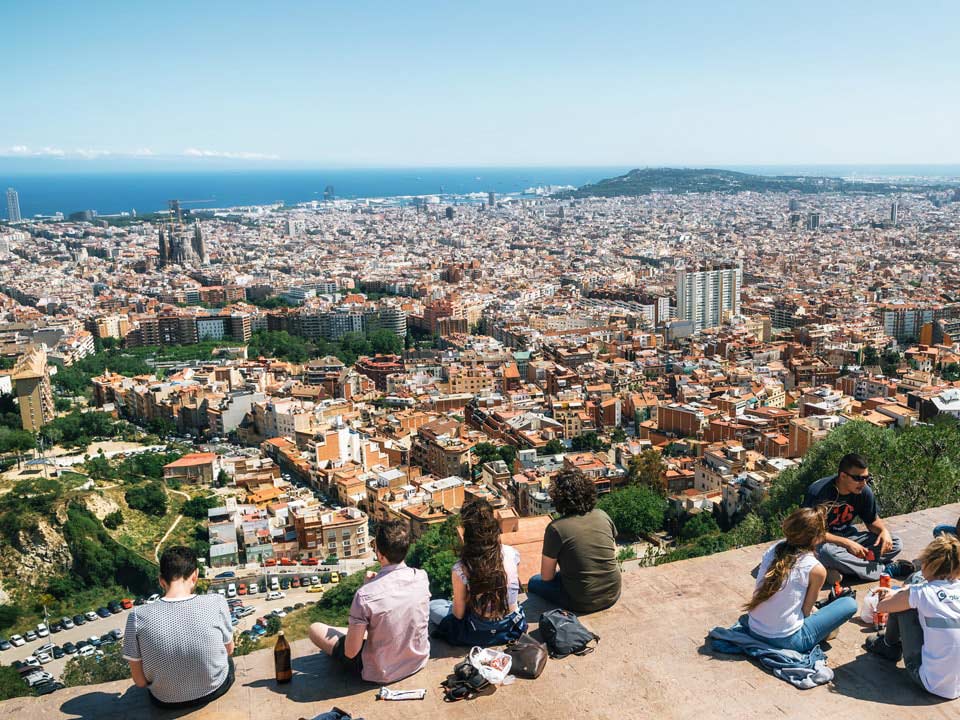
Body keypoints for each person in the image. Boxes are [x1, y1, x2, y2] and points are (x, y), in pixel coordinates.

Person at [309, 519, 430, 684]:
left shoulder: (365, 595)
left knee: (315, 628)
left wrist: (367, 588)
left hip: (381, 672)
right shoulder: (421, 577)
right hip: (417, 661)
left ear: (379, 554)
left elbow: (351, 652)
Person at [122, 546, 235, 709]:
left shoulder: (137, 616)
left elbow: (139, 682)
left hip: (165, 701)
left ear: (161, 580)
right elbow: (229, 650)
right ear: (195, 575)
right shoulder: (216, 602)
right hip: (215, 689)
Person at [742, 507, 857, 652]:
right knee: (849, 603)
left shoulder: (773, 550)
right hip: (787, 640)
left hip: (755, 629)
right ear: (817, 538)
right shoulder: (816, 569)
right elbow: (806, 611)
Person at [865, 534, 960, 700]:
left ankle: (889, 645)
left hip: (931, 683)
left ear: (929, 563)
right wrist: (900, 593)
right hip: (957, 685)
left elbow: (882, 607)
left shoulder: (923, 593)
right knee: (914, 600)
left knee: (909, 595)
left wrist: (895, 596)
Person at [430, 497, 527, 646]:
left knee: (433, 607)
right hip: (511, 626)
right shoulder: (511, 553)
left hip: (479, 630)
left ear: (467, 533)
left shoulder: (461, 568)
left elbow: (458, 614)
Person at [803, 452, 913, 581]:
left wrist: (884, 531)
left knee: (895, 543)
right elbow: (811, 532)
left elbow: (872, 521)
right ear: (843, 476)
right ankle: (883, 570)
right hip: (821, 542)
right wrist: (847, 544)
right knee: (828, 554)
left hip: (849, 537)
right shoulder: (819, 492)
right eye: (859, 478)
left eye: (866, 477)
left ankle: (843, 567)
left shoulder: (863, 491)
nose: (863, 483)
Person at [527, 468, 621, 614]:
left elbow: (547, 577)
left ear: (557, 498)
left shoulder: (556, 528)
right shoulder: (603, 515)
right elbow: (613, 553)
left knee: (534, 582)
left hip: (581, 602)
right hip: (613, 593)